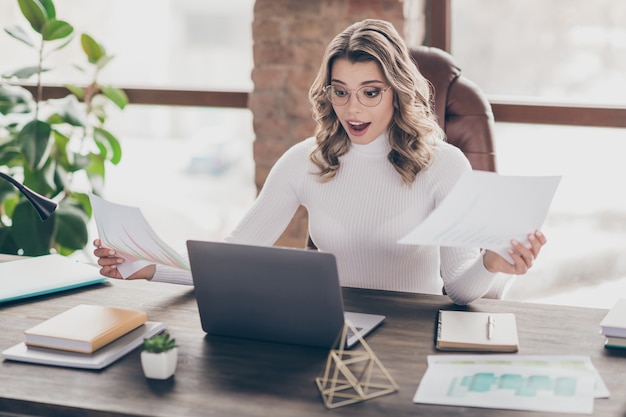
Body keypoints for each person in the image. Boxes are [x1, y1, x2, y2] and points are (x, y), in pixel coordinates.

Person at [93, 19, 546, 305]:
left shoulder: (443, 166)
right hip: (334, 334)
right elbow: (232, 255)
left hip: (413, 340)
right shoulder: (304, 163)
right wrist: (146, 267)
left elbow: (460, 290)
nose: (353, 110)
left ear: (397, 92)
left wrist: (490, 263)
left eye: (371, 92)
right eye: (341, 91)